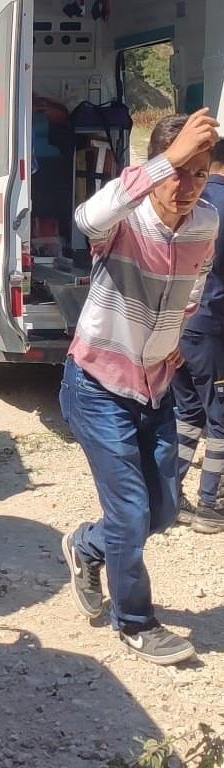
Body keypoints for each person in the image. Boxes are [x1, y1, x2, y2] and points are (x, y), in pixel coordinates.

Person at [59, 108, 220, 665]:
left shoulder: (205, 223)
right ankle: (135, 621)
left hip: (156, 387)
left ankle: (86, 546)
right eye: (178, 171)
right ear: (155, 167)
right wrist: (165, 162)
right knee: (130, 511)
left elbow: (194, 283)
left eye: (199, 173)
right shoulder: (125, 221)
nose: (186, 185)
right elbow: (87, 216)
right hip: (96, 386)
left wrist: (177, 333)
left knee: (163, 510)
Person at [172, 135, 224, 531]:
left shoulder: (190, 203)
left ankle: (169, 495)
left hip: (177, 327)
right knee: (220, 419)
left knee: (188, 412)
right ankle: (211, 503)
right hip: (212, 329)